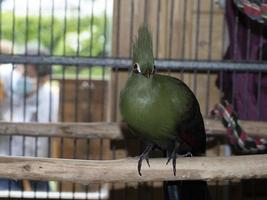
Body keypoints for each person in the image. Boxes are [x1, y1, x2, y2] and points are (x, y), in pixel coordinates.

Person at [0, 46, 59, 191]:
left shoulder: (49, 97)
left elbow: (52, 137)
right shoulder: (4, 77)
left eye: (33, 77)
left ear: (44, 79)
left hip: (36, 166)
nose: (27, 79)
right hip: (4, 162)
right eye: (24, 72)